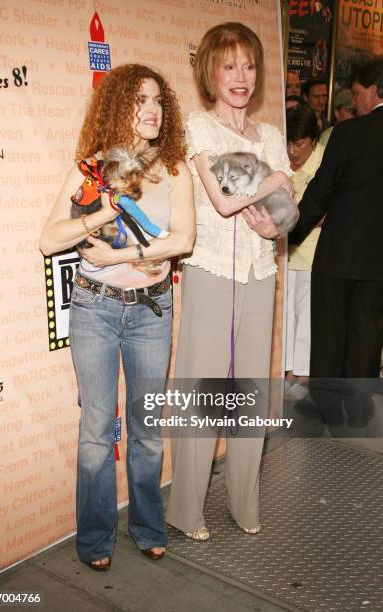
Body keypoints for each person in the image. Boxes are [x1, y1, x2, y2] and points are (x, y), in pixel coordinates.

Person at [39, 64, 195, 570]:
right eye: (139, 100)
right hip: (94, 309)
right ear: (117, 106)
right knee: (97, 430)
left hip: (151, 310)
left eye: (157, 101)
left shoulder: (175, 170)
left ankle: (148, 526)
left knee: (147, 428)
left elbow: (183, 242)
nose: (151, 110)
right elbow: (48, 240)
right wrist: (104, 212)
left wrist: (117, 256)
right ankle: (95, 539)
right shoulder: (89, 169)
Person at [166, 22, 294, 540]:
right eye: (228, 65)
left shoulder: (273, 137)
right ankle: (185, 509)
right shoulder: (199, 127)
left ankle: (244, 503)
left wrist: (277, 214)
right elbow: (221, 200)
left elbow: (285, 214)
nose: (240, 76)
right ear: (209, 72)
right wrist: (273, 181)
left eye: (247, 65)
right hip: (212, 269)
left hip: (260, 272)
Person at [289, 56, 383, 380]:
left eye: (356, 95)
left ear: (373, 91)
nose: (354, 103)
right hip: (378, 266)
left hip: (337, 257)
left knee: (329, 342)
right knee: (367, 342)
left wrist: (290, 233)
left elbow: (320, 192)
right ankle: (357, 419)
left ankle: (327, 412)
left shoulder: (349, 133)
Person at [285, 105, 325, 400]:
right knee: (287, 316)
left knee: (307, 318)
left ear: (313, 141)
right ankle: (288, 370)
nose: (293, 151)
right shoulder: (282, 162)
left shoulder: (325, 164)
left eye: (299, 144)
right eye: (289, 143)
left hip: (313, 253)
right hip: (284, 253)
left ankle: (304, 373)